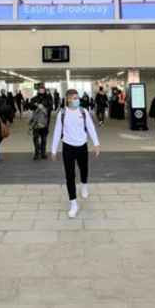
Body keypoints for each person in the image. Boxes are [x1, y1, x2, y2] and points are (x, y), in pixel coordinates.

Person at [51, 89, 100, 219]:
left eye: (77, 98)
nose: (77, 100)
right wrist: (53, 150)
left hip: (82, 146)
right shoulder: (62, 113)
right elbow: (57, 132)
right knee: (70, 175)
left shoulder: (83, 112)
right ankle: (73, 204)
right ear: (68, 99)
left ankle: (84, 185)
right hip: (67, 147)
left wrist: (96, 143)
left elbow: (90, 127)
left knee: (84, 169)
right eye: (74, 98)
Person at [30, 85, 53, 160]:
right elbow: (30, 106)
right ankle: (37, 153)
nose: (41, 90)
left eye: (43, 89)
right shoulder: (34, 98)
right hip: (36, 121)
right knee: (35, 137)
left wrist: (43, 107)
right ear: (38, 90)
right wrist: (36, 105)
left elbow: (51, 108)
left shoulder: (48, 98)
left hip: (45, 121)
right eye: (40, 89)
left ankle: (43, 153)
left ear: (45, 90)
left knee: (44, 138)